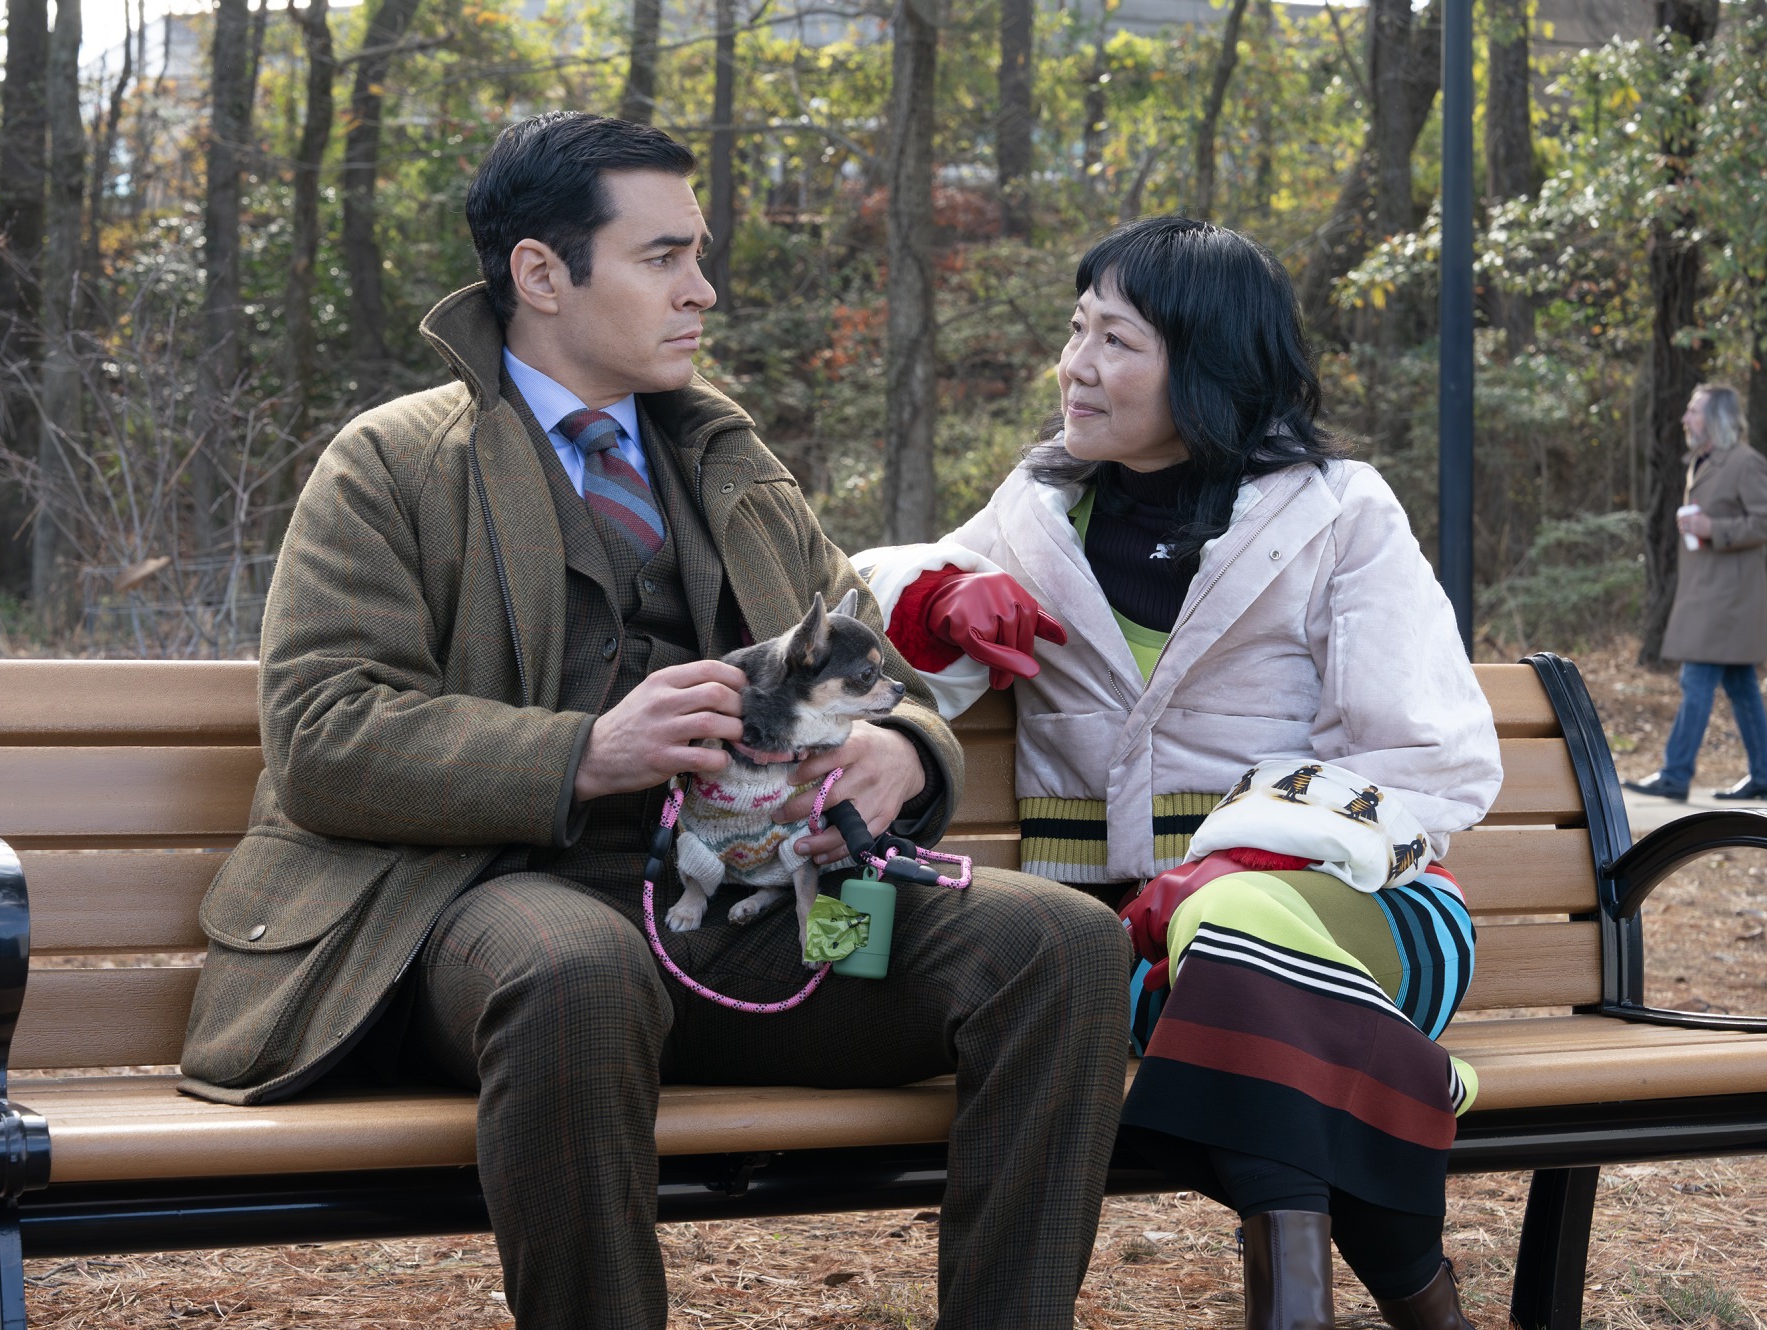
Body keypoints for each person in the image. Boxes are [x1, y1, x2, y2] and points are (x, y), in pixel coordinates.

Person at [176, 112, 1132, 1328]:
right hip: (479, 904)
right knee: (579, 972)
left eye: (698, 254)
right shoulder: (393, 463)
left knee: (1060, 949)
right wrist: (584, 753)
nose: (703, 289)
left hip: (748, 914)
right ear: (539, 273)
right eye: (662, 256)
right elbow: (322, 733)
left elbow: (868, 661)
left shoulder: (730, 462)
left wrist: (902, 753)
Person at [857, 216, 1502, 1330]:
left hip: (1361, 920)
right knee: (1237, 1007)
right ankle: (1409, 1166)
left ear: (1203, 363)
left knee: (1239, 926)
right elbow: (860, 646)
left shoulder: (1337, 512)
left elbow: (1430, 754)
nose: (1073, 365)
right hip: (1119, 960)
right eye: (1075, 330)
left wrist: (1236, 858)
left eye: (1115, 339)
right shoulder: (1036, 516)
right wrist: (935, 597)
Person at [1623, 383, 1767, 803]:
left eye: (1694, 411)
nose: (1685, 419)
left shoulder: (1746, 463)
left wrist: (1715, 529)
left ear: (1715, 418)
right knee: (1740, 685)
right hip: (1709, 595)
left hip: (1728, 602)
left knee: (1695, 679)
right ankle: (1765, 776)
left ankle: (1675, 774)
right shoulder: (1703, 462)